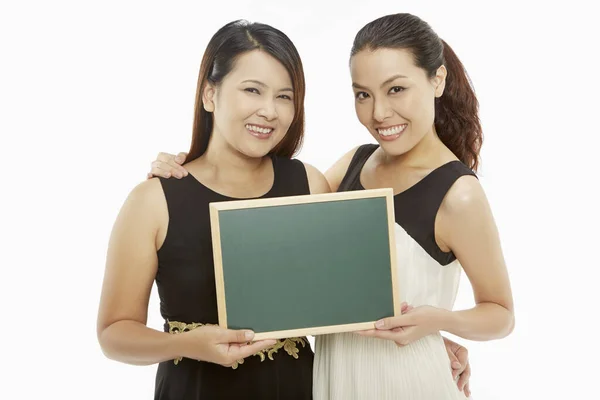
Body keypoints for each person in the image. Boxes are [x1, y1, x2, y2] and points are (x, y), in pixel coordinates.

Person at [149, 12, 514, 399]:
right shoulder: (354, 164)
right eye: (363, 94)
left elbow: (501, 314)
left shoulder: (458, 192)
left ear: (436, 80)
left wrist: (436, 324)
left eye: (396, 89)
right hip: (330, 377)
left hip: (405, 381)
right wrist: (193, 168)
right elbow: (275, 214)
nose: (379, 113)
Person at [97, 20, 329, 400]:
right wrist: (189, 345)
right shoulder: (153, 201)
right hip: (195, 389)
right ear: (210, 94)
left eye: (284, 96)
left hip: (297, 387)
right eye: (252, 90)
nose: (269, 111)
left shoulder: (309, 185)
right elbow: (113, 334)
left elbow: (350, 292)